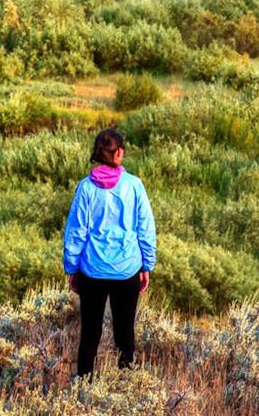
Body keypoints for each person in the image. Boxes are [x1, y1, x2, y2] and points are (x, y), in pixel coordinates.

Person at [63, 127, 156, 378]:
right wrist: (147, 265)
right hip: (127, 270)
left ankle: (83, 387)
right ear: (120, 153)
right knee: (125, 334)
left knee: (90, 335)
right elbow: (145, 228)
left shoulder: (85, 188)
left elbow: (76, 232)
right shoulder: (134, 186)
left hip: (92, 270)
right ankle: (127, 387)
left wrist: (72, 268)